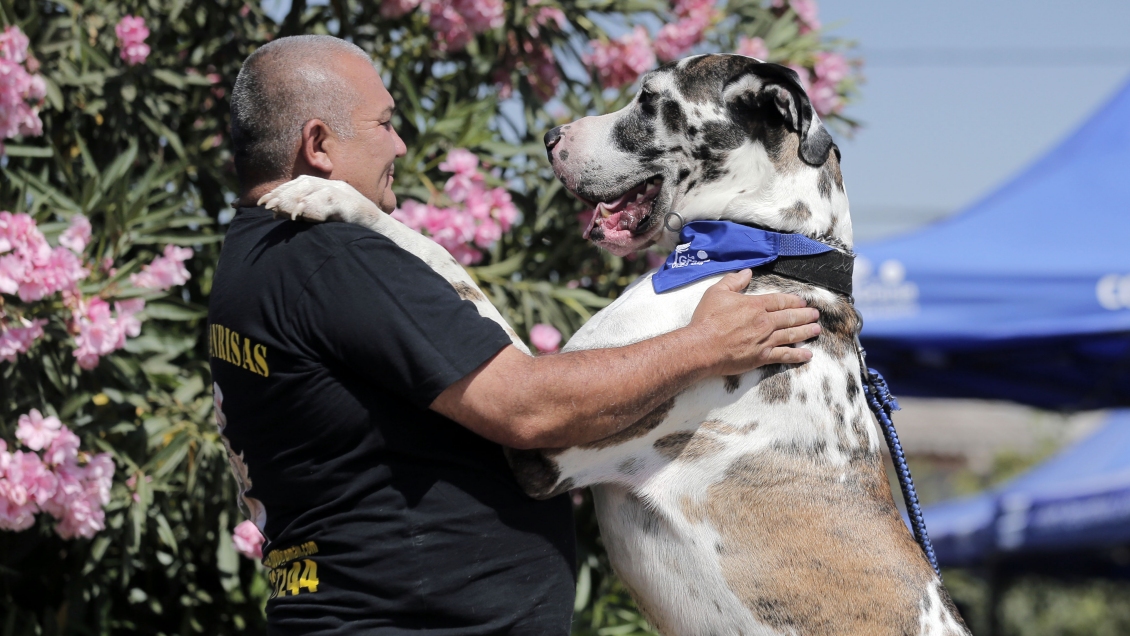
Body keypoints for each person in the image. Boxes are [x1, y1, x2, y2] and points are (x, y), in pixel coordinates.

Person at [209, 35, 821, 635]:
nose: (399, 141)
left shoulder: (255, 258)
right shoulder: (330, 253)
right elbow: (528, 409)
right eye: (383, 123)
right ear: (318, 144)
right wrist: (707, 345)